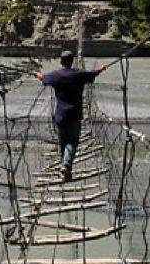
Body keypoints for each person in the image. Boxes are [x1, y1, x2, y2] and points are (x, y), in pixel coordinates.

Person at [35, 50, 107, 181]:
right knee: (73, 141)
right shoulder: (79, 74)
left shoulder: (56, 75)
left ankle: (65, 166)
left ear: (61, 61)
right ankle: (67, 164)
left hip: (60, 115)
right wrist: (101, 69)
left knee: (63, 141)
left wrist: (37, 74)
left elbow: (44, 78)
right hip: (75, 114)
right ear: (72, 61)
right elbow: (93, 74)